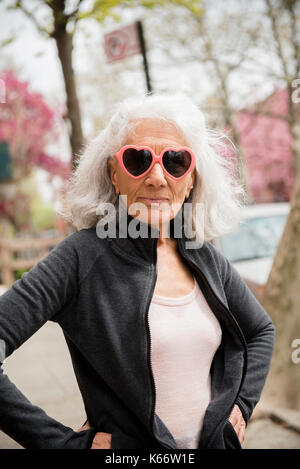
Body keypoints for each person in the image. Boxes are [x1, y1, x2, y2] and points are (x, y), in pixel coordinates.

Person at [0, 94, 274, 449]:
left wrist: (242, 405)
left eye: (176, 161)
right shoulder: (82, 256)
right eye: (138, 159)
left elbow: (261, 330)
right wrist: (62, 444)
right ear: (114, 174)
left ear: (190, 180)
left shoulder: (204, 256)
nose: (157, 177)